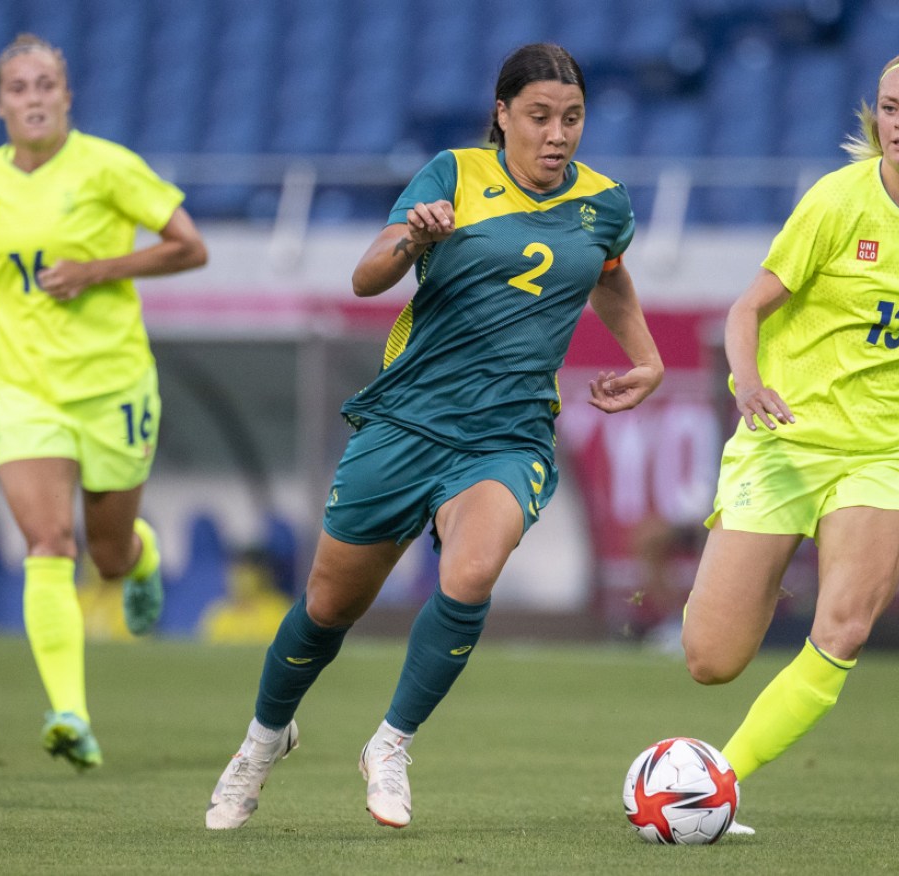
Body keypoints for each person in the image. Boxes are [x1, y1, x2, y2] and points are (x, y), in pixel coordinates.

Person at [205, 43, 663, 830]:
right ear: (502, 115)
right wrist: (415, 239)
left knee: (472, 572)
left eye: (573, 118)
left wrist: (647, 359)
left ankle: (390, 744)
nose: (557, 135)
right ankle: (261, 740)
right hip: (407, 421)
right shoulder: (451, 175)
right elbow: (367, 276)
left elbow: (609, 275)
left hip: (507, 433)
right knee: (325, 610)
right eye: (539, 117)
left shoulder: (605, 203)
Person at [680, 48, 899, 816]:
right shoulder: (835, 203)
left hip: (884, 451)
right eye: (889, 108)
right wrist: (750, 385)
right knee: (711, 659)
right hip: (784, 439)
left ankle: (713, 784)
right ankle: (751, 578)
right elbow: (744, 310)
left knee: (843, 626)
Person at [0, 34, 207, 770]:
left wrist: (99, 269)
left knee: (109, 554)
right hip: (22, 387)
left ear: (66, 96)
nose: (32, 98)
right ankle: (69, 713)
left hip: (113, 387)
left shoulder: (108, 167)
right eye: (19, 87)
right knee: (49, 544)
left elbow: (190, 246)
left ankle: (142, 556)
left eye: (45, 84)